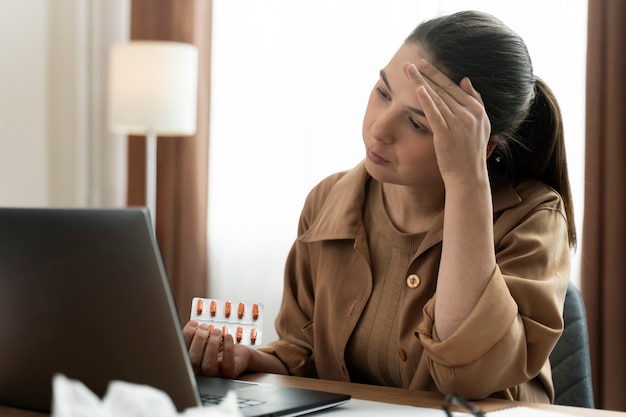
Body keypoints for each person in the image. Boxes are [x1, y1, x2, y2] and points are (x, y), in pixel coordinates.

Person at [183, 10, 576, 403]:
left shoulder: (533, 219)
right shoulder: (327, 202)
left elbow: (468, 376)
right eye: (383, 92)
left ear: (481, 147)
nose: (379, 129)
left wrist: (465, 180)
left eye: (418, 123)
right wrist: (246, 359)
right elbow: (303, 357)